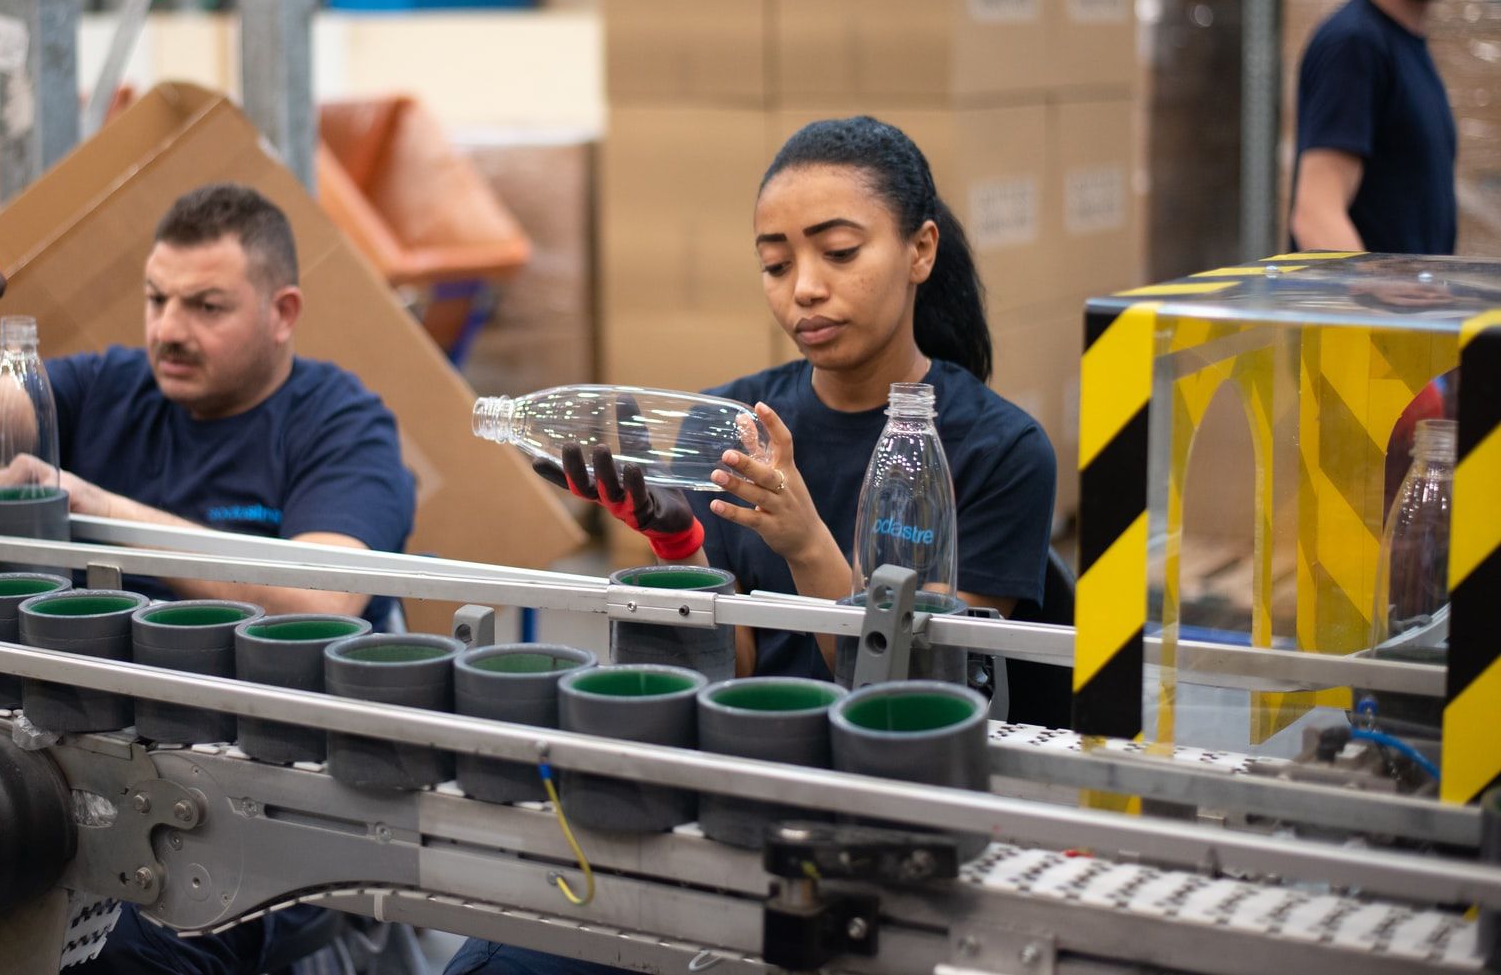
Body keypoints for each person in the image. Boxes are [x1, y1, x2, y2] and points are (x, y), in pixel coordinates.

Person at [444, 117, 1058, 975]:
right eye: (776, 264)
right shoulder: (728, 425)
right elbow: (725, 663)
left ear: (920, 250)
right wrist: (677, 540)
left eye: (838, 252)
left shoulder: (996, 450)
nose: (803, 288)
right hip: (736, 792)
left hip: (884, 828)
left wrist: (806, 539)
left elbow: (919, 708)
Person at [0, 184, 417, 975]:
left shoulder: (341, 422)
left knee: (115, 959)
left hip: (273, 803)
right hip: (111, 766)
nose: (169, 329)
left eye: (206, 306)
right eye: (157, 299)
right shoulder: (115, 386)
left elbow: (322, 602)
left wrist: (95, 503)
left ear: (283, 311)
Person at [1290, 0, 1461, 255]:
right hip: (1378, 315)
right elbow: (1315, 216)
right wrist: (1382, 314)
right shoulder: (1355, 44)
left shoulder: (1405, 43)